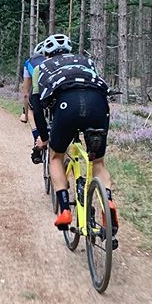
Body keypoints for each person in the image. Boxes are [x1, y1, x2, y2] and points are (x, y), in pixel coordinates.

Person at [29, 33, 119, 240]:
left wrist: (44, 138)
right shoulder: (86, 61)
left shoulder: (40, 67)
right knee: (98, 163)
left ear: (46, 53)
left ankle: (65, 210)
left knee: (56, 157)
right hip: (98, 103)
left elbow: (36, 106)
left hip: (66, 105)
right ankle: (109, 203)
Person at [21, 41, 46, 163]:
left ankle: (38, 141)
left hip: (38, 94)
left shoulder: (29, 62)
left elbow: (26, 93)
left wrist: (25, 114)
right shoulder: (56, 61)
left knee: (31, 111)